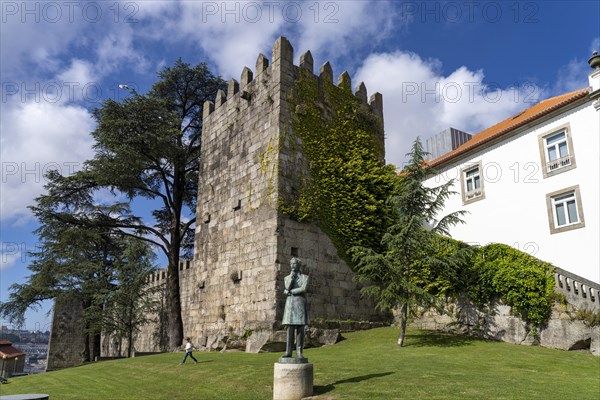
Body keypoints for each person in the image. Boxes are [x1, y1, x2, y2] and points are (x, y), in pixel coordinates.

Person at [282, 257, 310, 359]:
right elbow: (287, 287)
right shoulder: (286, 278)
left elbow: (303, 289)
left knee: (300, 328)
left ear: (299, 265)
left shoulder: (305, 277)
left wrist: (290, 292)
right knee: (290, 328)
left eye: (294, 264)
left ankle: (299, 351)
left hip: (300, 303)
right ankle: (288, 352)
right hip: (290, 304)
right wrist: (292, 278)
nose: (292, 266)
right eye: (291, 264)